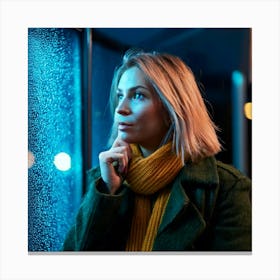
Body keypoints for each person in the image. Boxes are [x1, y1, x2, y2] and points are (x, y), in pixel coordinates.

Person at [62, 49, 251, 251]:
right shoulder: (106, 179)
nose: (120, 108)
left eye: (138, 96)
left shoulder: (227, 188)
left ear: (172, 110)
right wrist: (107, 191)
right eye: (120, 95)